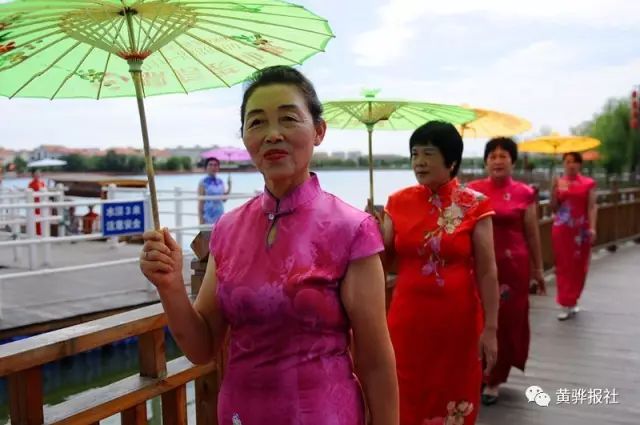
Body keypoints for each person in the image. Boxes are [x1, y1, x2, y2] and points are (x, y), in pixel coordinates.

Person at [140, 65, 399, 425]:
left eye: (289, 119)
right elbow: (201, 347)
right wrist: (169, 286)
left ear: (319, 131)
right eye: (257, 122)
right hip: (239, 413)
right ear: (245, 136)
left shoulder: (352, 229)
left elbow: (374, 359)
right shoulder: (228, 229)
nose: (272, 134)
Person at [378, 121, 499, 425]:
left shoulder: (475, 205)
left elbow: (487, 272)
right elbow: (379, 262)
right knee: (405, 392)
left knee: (455, 394)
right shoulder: (397, 201)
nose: (419, 161)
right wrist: (370, 229)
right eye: (415, 153)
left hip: (458, 324)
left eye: (428, 153)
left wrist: (491, 329)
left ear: (452, 160)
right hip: (407, 321)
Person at [467, 137, 545, 405]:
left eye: (503, 156)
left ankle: (495, 379)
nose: (498, 160)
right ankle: (478, 373)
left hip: (514, 269)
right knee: (477, 319)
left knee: (506, 323)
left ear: (513, 161)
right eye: (493, 156)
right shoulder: (472, 191)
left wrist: (539, 269)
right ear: (486, 161)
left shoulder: (525, 192)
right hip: (478, 267)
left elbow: (532, 233)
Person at [550, 152, 597, 321]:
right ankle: (564, 302)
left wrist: (592, 228)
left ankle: (573, 299)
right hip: (562, 229)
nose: (571, 165)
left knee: (580, 266)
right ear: (563, 164)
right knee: (563, 265)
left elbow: (591, 207)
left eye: (574, 162)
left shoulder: (588, 183)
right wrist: (553, 190)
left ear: (580, 165)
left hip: (581, 231)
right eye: (568, 161)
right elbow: (554, 208)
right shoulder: (559, 182)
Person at [198, 157, 231, 225]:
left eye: (215, 165)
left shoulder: (220, 182)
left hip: (220, 215)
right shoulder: (203, 182)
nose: (213, 167)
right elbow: (201, 202)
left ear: (218, 168)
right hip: (208, 216)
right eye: (210, 165)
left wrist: (230, 186)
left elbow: (224, 199)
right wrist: (201, 219)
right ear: (206, 167)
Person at [28, 169, 45, 235]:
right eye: (36, 173)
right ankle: (36, 233)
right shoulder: (31, 184)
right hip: (34, 204)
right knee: (35, 219)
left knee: (42, 218)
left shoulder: (42, 183)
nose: (38, 175)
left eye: (39, 173)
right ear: (33, 175)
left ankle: (41, 233)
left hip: (41, 203)